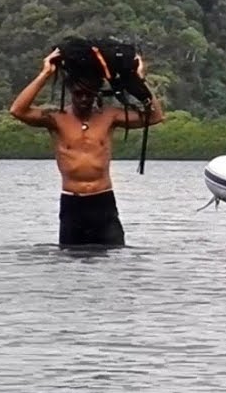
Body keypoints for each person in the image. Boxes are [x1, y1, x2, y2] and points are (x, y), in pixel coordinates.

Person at [9, 46, 166, 248]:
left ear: (96, 94)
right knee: (70, 260)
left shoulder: (109, 116)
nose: (84, 99)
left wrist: (137, 79)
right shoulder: (56, 118)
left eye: (89, 94)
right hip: (73, 204)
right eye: (79, 94)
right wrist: (45, 73)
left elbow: (156, 116)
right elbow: (17, 110)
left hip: (103, 202)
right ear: (71, 93)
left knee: (113, 256)